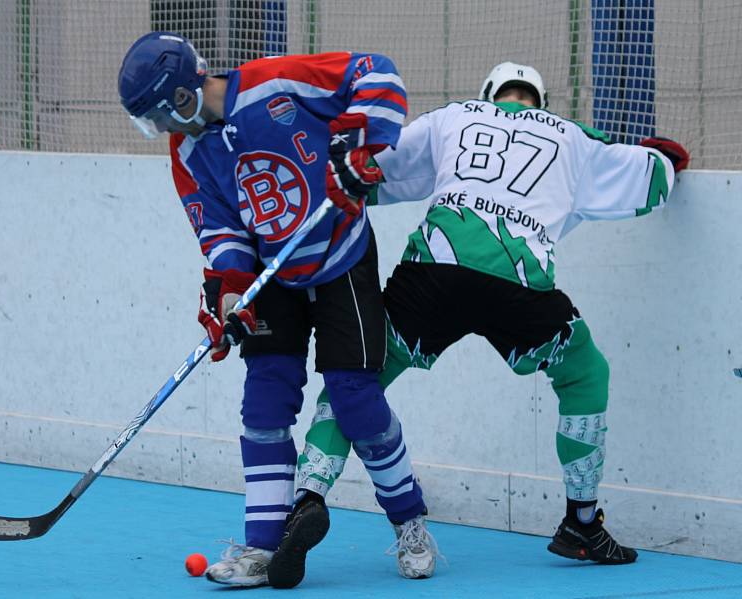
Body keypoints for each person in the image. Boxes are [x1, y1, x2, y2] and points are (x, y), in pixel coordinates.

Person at [270, 61, 690, 585]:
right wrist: (668, 159)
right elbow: (652, 176)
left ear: (488, 95)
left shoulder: (455, 116)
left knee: (356, 380)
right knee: (585, 373)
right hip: (517, 283)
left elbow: (373, 173)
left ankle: (307, 497)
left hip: (431, 272)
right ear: (539, 100)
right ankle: (582, 523)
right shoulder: (573, 136)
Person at [117, 32, 439, 587]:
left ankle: (410, 521)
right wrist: (230, 294)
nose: (162, 131)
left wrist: (357, 145)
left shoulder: (276, 82)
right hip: (276, 277)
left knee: (355, 399)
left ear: (182, 96)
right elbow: (218, 228)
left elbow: (377, 73)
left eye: (160, 116)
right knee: (264, 404)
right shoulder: (187, 153)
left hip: (341, 257)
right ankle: (262, 549)